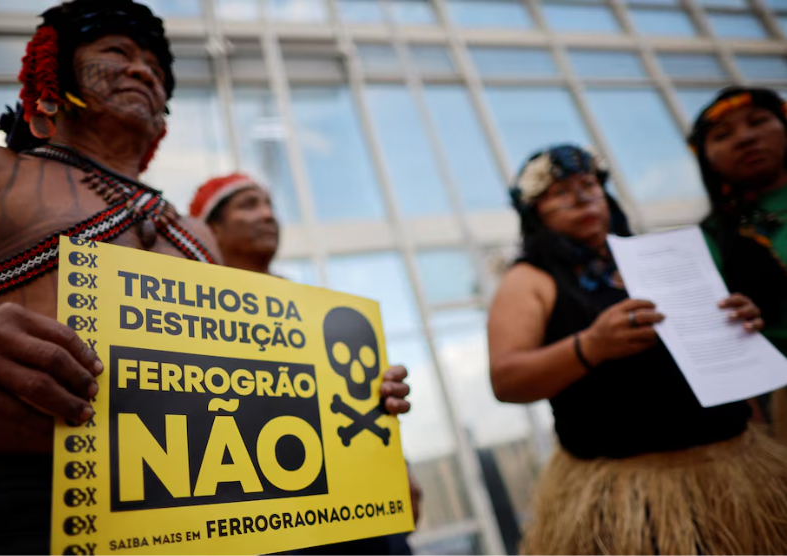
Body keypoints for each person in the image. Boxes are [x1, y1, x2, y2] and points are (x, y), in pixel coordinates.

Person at [0, 2, 409, 554]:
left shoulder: (197, 233)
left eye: (155, 65)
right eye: (117, 52)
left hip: (222, 518)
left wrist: (353, 398)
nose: (144, 70)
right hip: (40, 515)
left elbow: (250, 383)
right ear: (53, 73)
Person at [487, 144, 787, 555]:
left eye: (589, 185)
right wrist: (591, 346)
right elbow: (507, 380)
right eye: (560, 192)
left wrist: (738, 322)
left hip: (732, 465)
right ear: (535, 212)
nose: (581, 197)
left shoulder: (657, 258)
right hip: (627, 488)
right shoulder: (528, 279)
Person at [190, 173, 421, 556]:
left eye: (270, 205)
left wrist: (398, 462)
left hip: (362, 516)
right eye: (249, 205)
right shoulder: (189, 311)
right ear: (211, 227)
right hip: (263, 523)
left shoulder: (318, 311)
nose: (267, 215)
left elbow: (353, 400)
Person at [689, 86, 787, 439]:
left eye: (759, 122)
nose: (746, 138)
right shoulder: (710, 239)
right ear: (706, 159)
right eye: (723, 135)